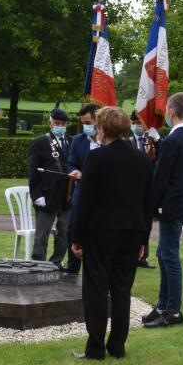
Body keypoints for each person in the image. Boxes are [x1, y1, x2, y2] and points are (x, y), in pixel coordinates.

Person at [70, 106, 154, 360]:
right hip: (131, 232)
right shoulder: (142, 159)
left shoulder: (97, 158)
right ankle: (117, 345)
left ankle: (95, 347)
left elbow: (85, 202)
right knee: (121, 290)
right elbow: (147, 203)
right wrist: (143, 238)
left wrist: (77, 237)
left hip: (100, 232)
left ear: (103, 128)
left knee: (95, 289)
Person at [142, 92, 183, 328]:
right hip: (182, 202)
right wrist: (158, 142)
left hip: (171, 204)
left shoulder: (176, 140)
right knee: (163, 254)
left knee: (169, 256)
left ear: (171, 112)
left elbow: (162, 176)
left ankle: (173, 310)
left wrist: (152, 205)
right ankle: (163, 304)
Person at [28, 108, 72, 266]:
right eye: (56, 123)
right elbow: (33, 172)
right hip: (46, 196)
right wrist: (36, 194)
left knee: (64, 233)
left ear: (67, 124)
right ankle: (38, 265)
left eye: (62, 123)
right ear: (50, 123)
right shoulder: (40, 142)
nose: (59, 126)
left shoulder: (71, 141)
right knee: (42, 235)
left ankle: (56, 263)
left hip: (67, 196)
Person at [65, 104, 101, 274]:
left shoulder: (108, 142)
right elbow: (71, 163)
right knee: (73, 230)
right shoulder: (78, 141)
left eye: (88, 122)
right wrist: (74, 171)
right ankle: (71, 270)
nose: (86, 125)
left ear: (98, 120)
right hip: (80, 194)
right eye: (83, 122)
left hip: (101, 198)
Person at [128, 110, 162, 269]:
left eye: (139, 123)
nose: (136, 126)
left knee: (145, 221)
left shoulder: (151, 141)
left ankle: (143, 256)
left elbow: (158, 162)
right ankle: (129, 254)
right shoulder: (127, 142)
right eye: (133, 123)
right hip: (131, 188)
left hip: (148, 188)